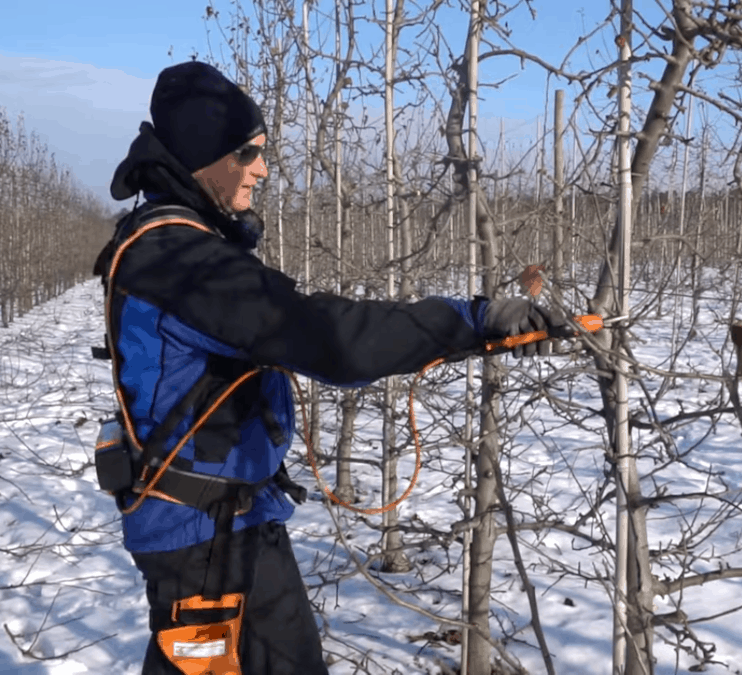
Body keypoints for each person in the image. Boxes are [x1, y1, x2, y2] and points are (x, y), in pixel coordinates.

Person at [93, 60, 568, 675]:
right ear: (199, 154)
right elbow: (332, 340)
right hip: (204, 545)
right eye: (248, 152)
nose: (262, 168)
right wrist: (471, 321)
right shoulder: (179, 259)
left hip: (231, 523)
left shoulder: (183, 244)